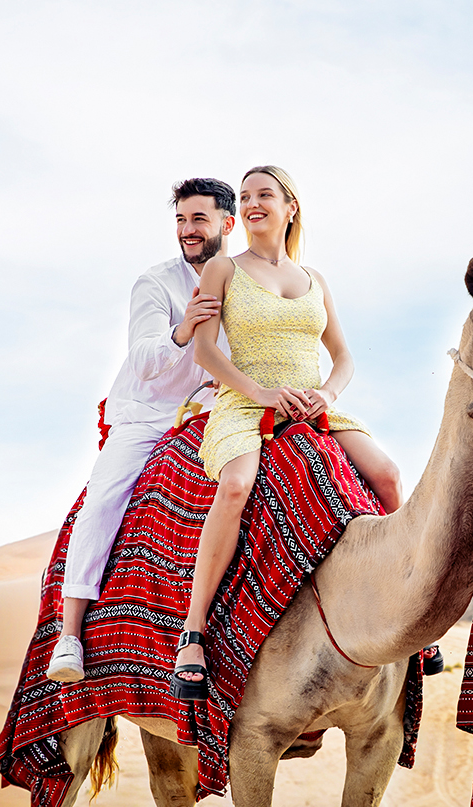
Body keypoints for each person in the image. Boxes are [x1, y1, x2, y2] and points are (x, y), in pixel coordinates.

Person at [170, 165, 402, 699]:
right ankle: (194, 630)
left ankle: (402, 603)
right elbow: (206, 351)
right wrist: (261, 394)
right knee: (234, 486)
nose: (252, 203)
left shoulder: (315, 279)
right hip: (246, 402)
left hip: (313, 404)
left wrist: (327, 394)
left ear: (289, 207)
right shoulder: (223, 269)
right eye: (245, 196)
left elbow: (342, 357)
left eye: (264, 195)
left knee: (388, 474)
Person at [46, 177, 236, 683]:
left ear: (226, 224)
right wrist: (185, 327)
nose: (188, 230)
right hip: (147, 413)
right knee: (104, 498)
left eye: (199, 219)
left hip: (214, 412)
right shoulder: (156, 284)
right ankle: (69, 635)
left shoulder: (247, 284)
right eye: (181, 220)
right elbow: (146, 360)